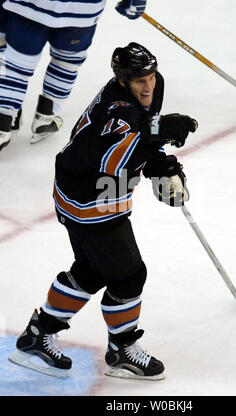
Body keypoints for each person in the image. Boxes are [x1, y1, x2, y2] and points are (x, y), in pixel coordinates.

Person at [8, 42, 198, 380]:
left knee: (93, 270)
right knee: (128, 275)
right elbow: (115, 161)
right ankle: (122, 349)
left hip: (85, 188)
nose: (148, 85)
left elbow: (146, 131)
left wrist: (162, 164)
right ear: (122, 81)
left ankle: (39, 334)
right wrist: (158, 158)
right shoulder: (117, 112)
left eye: (151, 76)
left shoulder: (148, 93)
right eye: (139, 80)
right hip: (89, 196)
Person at [0, 0, 148, 151]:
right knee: (67, 62)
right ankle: (46, 116)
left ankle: (3, 118)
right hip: (81, 13)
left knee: (16, 64)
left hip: (31, 8)